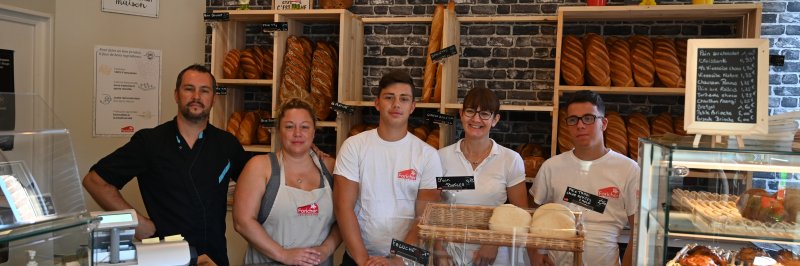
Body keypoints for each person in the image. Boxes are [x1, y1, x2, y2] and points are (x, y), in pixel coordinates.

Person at [82, 64, 247, 266]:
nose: (196, 96)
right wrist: (138, 223)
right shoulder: (150, 142)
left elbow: (256, 183)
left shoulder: (227, 144)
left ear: (213, 98)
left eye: (204, 90)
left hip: (214, 258)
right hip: (166, 256)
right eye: (189, 89)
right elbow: (95, 181)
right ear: (176, 95)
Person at [333, 70, 443, 266]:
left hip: (409, 260)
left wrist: (397, 261)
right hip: (359, 257)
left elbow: (424, 216)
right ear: (377, 103)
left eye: (404, 99)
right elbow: (343, 207)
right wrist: (363, 260)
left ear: (412, 107)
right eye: (389, 97)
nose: (396, 105)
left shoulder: (427, 155)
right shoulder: (354, 146)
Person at [529, 90, 639, 266]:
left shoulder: (628, 169)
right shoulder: (552, 167)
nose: (580, 125)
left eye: (588, 118)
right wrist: (534, 253)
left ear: (603, 123)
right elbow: (532, 216)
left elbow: (638, 231)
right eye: (573, 120)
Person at [233, 98, 341, 266]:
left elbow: (346, 217)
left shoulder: (331, 168)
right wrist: (283, 255)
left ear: (314, 131)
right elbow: (242, 221)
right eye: (289, 127)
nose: (297, 133)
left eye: (304, 127)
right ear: (279, 130)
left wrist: (326, 249)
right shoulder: (260, 167)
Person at [435, 87, 532, 266]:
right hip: (451, 255)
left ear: (495, 120)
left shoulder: (510, 159)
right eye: (470, 111)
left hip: (494, 257)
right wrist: (439, 249)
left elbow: (521, 213)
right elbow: (432, 209)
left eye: (485, 114)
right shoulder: (441, 157)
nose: (476, 119)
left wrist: (494, 241)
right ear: (461, 114)